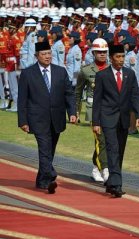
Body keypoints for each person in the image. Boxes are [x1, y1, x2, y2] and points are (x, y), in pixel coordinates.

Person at [17, 42, 76, 194]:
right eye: (44, 54)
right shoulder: (28, 73)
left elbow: (69, 93)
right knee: (44, 149)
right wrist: (22, 120)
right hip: (37, 118)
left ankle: (42, 181)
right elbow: (22, 98)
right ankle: (50, 175)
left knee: (49, 151)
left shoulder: (60, 72)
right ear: (37, 56)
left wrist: (73, 113)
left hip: (56, 118)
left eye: (49, 53)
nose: (47, 56)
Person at [92, 44, 139, 197]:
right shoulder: (102, 75)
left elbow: (135, 95)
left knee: (119, 151)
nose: (121, 60)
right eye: (117, 57)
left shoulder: (130, 74)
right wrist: (96, 122)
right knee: (112, 149)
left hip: (124, 119)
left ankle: (111, 181)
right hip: (107, 118)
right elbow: (97, 100)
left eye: (123, 56)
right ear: (111, 58)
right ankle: (116, 185)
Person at [75, 38, 109, 183]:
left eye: (104, 52)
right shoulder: (86, 70)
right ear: (94, 53)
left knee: (107, 141)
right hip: (92, 110)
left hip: (109, 110)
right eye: (99, 52)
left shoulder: (111, 69)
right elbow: (78, 92)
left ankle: (95, 168)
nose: (102, 55)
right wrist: (76, 112)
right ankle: (106, 171)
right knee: (100, 140)